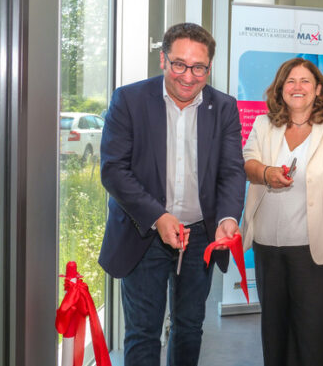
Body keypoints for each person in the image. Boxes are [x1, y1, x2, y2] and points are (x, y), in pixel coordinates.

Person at [99, 22, 246, 366]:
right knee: (143, 332)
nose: (188, 76)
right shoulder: (130, 100)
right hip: (144, 233)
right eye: (179, 63)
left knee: (190, 326)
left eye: (198, 67)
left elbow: (231, 171)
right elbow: (114, 170)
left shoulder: (224, 108)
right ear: (163, 60)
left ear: (209, 67)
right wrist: (158, 217)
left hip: (199, 238)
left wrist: (227, 218)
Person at [240, 57, 323, 366]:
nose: (298, 87)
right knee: (275, 335)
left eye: (305, 81)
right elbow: (248, 163)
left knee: (315, 338)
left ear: (318, 88)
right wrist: (267, 172)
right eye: (291, 81)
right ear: (281, 89)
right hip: (269, 248)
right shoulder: (263, 124)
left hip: (317, 252)